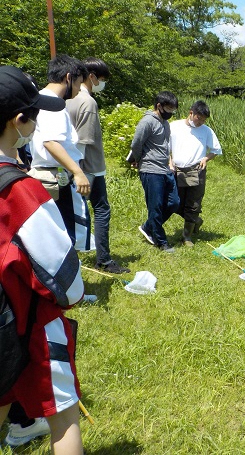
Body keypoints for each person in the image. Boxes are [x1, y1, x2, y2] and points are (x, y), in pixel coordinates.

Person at [0, 65, 85, 454]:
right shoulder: (21, 190)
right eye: (33, 115)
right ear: (18, 121)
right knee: (64, 414)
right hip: (32, 324)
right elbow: (63, 276)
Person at [66, 57, 129, 273]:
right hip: (88, 167)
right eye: (101, 79)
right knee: (100, 210)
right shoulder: (87, 102)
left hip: (71, 166)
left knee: (72, 213)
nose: (102, 83)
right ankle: (103, 258)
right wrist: (79, 173)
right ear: (91, 76)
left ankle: (73, 259)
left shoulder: (67, 98)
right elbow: (82, 142)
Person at [29, 55, 92, 250]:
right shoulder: (52, 104)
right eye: (79, 83)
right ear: (68, 77)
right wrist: (77, 172)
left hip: (49, 173)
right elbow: (51, 142)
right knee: (63, 237)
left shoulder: (40, 98)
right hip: (55, 177)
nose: (78, 90)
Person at [130, 91, 180, 253]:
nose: (171, 113)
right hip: (151, 170)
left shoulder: (165, 123)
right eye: (168, 109)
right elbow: (136, 143)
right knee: (156, 207)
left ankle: (148, 226)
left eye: (173, 110)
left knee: (174, 203)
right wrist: (137, 159)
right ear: (159, 106)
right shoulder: (147, 122)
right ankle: (161, 241)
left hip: (165, 169)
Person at [170, 100, 222, 246]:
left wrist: (206, 158)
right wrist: (169, 162)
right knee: (175, 202)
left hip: (196, 170)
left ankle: (187, 237)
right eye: (199, 118)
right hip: (176, 170)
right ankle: (196, 220)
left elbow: (216, 150)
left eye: (204, 120)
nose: (201, 122)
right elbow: (165, 147)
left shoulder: (206, 131)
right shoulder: (175, 126)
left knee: (193, 203)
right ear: (191, 113)